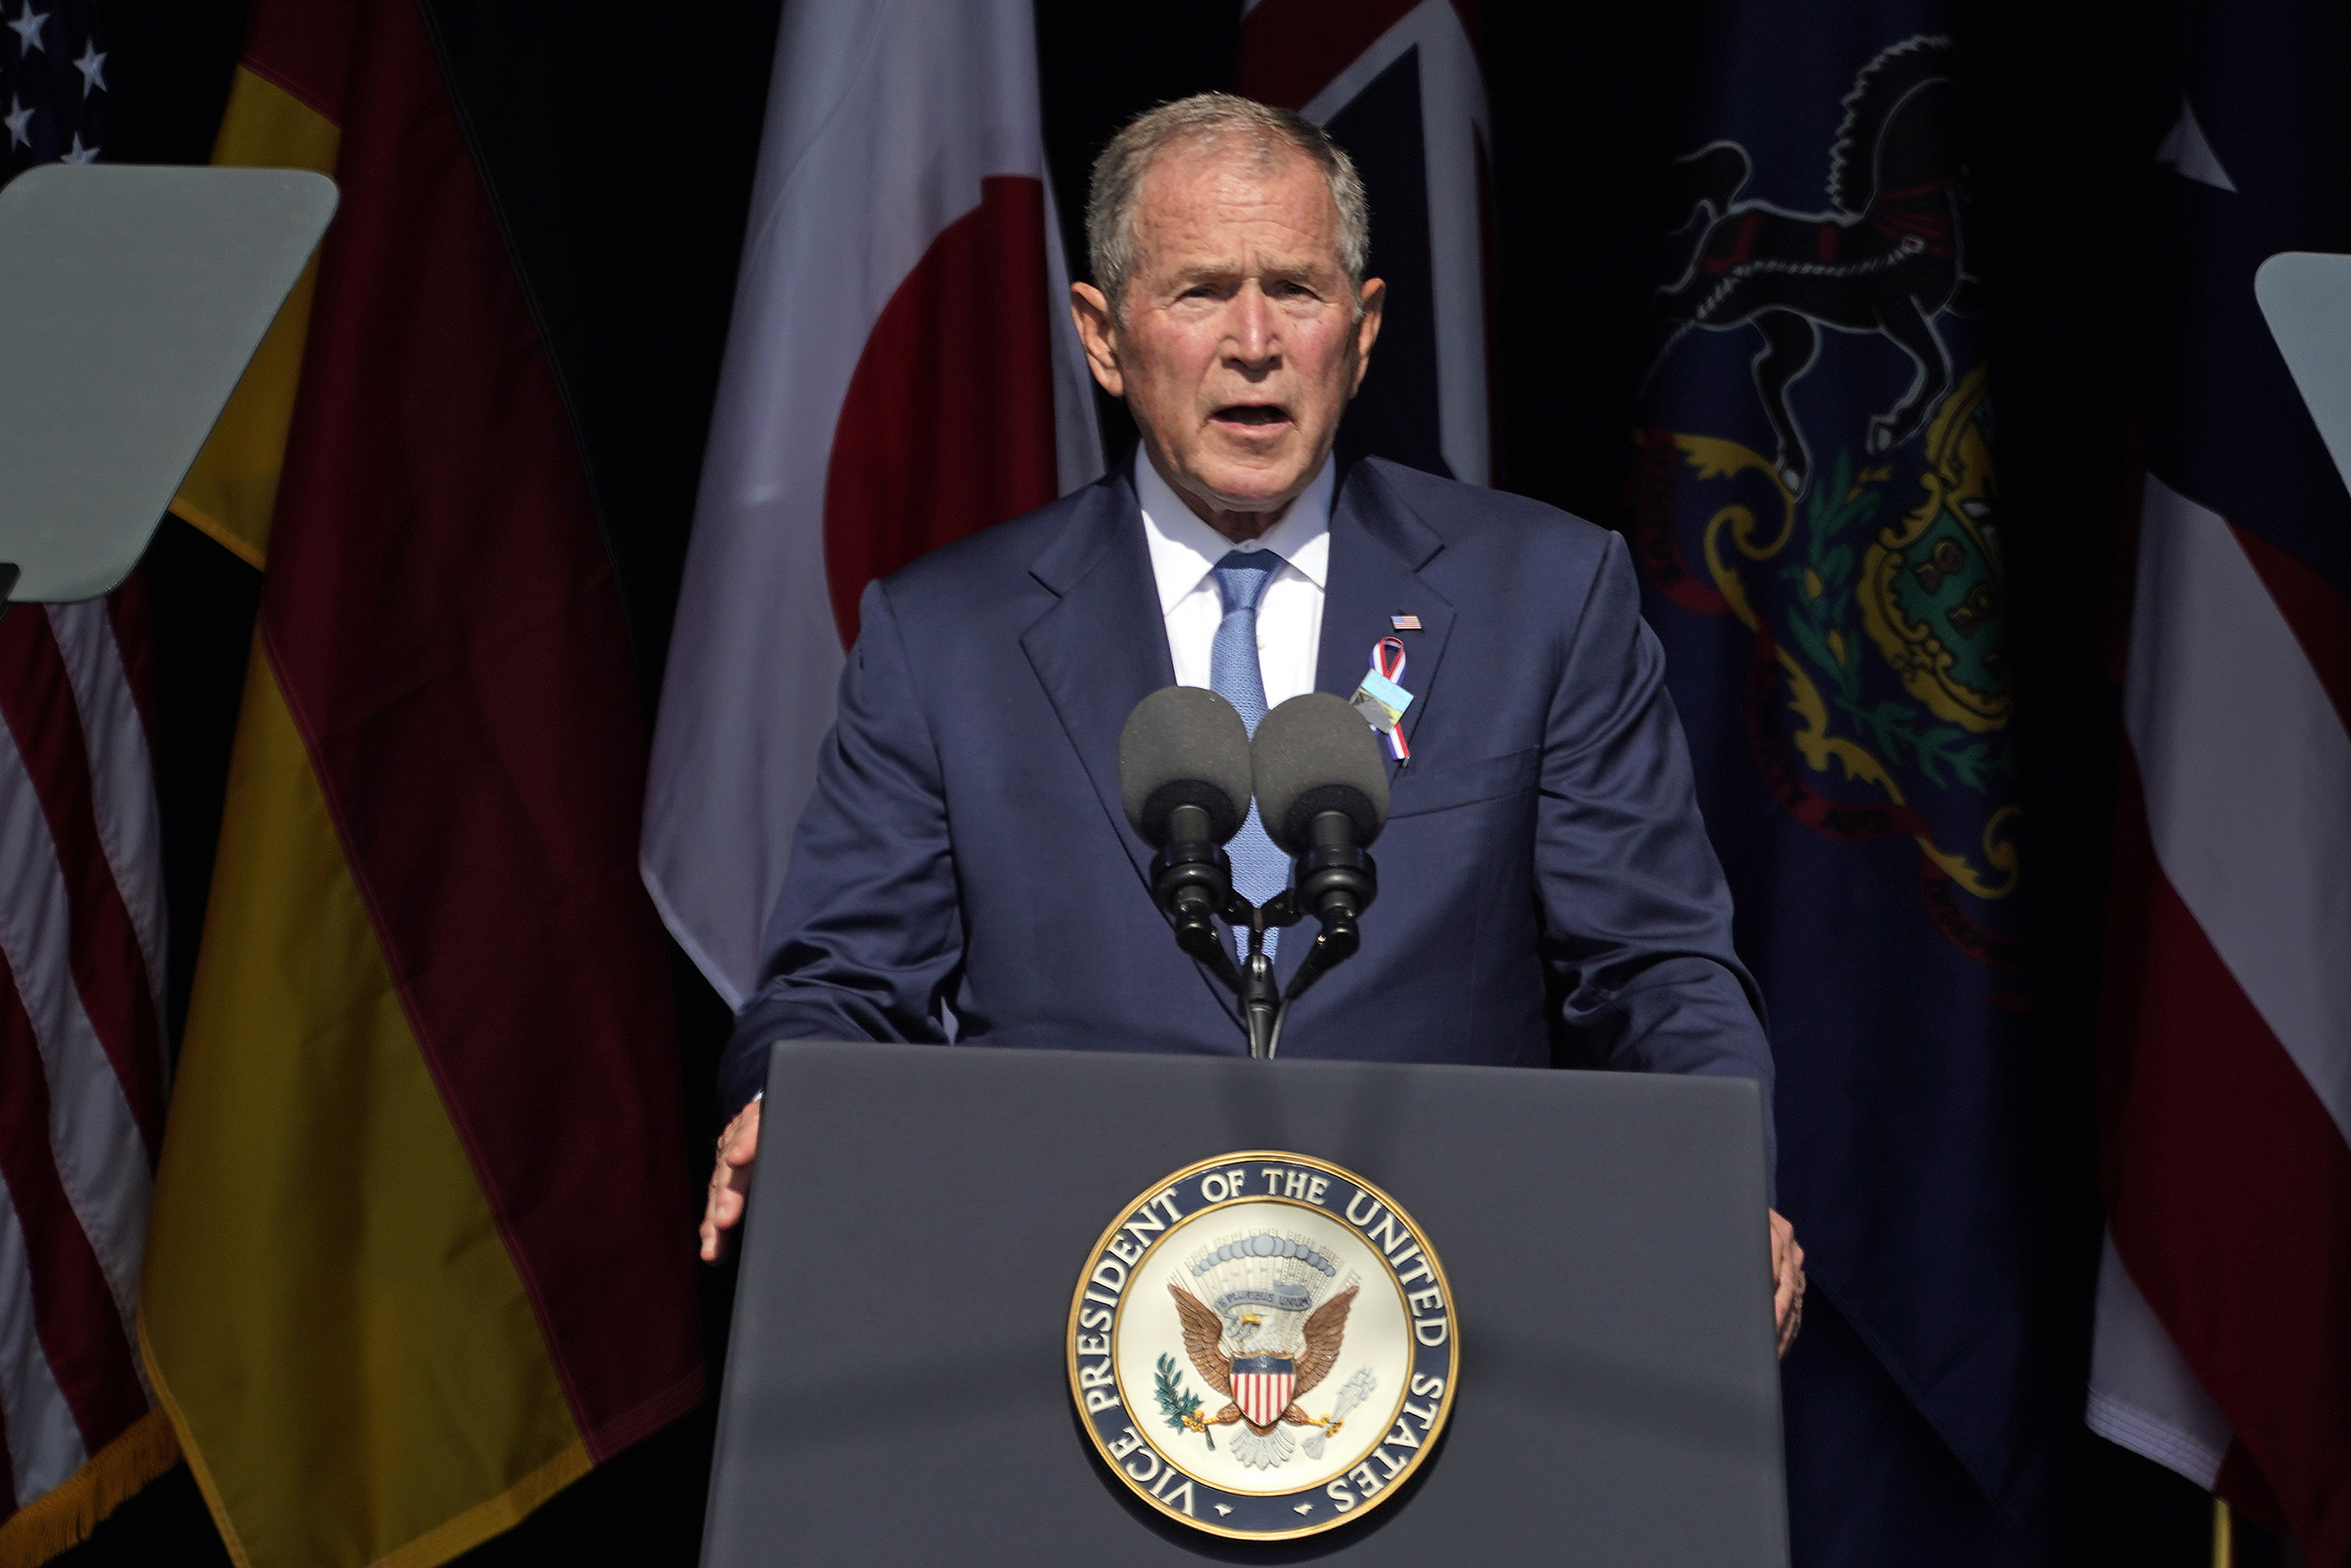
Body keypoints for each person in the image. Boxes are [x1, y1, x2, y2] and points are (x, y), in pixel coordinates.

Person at [700, 93, 1804, 1351]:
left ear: (1363, 331)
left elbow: (1659, 968)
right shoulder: (944, 637)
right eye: (1200, 292)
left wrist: (1720, 1172)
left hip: (1456, 1320)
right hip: (1059, 1321)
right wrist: (792, 1102)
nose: (1255, 341)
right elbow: (839, 986)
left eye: (1294, 288)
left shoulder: (1544, 597)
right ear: (1102, 337)